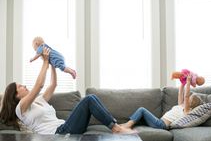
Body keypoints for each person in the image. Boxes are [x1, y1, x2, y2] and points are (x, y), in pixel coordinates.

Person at [0, 47, 135, 135]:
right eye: (20, 86)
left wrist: (52, 64)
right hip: (59, 134)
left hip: (66, 128)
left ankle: (116, 125)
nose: (24, 85)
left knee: (91, 98)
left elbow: (53, 85)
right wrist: (45, 62)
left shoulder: (38, 101)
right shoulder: (21, 108)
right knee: (89, 99)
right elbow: (39, 85)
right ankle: (116, 128)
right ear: (15, 95)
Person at [120, 75, 202, 130]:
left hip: (161, 125)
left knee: (142, 110)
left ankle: (127, 125)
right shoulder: (181, 105)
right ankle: (125, 124)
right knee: (140, 118)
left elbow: (186, 96)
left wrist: (188, 82)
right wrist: (182, 82)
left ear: (191, 103)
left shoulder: (187, 111)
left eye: (190, 98)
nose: (187, 98)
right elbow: (180, 93)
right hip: (160, 121)